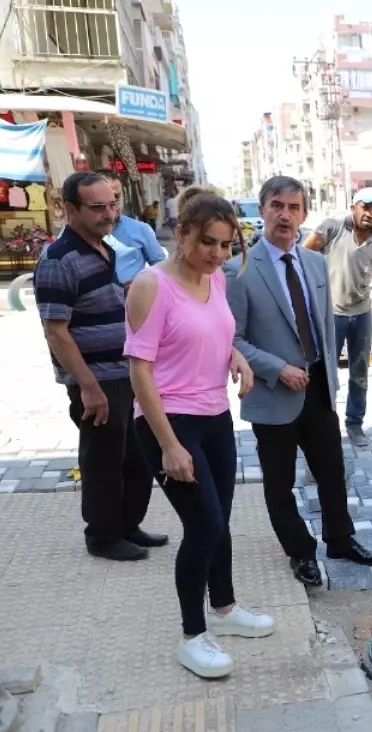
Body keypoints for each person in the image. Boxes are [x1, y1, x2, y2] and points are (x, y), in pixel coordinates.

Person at [126, 187, 275, 679]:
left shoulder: (214, 281)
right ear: (182, 233)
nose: (217, 254)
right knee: (204, 526)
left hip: (214, 417)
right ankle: (193, 635)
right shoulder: (151, 285)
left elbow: (215, 332)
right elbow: (140, 370)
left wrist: (234, 356)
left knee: (220, 519)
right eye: (208, 242)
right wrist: (168, 444)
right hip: (169, 422)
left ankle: (226, 609)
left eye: (227, 245)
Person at [225, 176, 372, 588]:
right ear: (261, 211)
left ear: (304, 214)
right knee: (280, 483)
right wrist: (276, 367)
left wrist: (330, 379)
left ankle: (340, 538)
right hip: (273, 392)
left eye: (294, 207)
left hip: (317, 388)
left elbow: (325, 328)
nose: (285, 214)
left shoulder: (315, 263)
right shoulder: (238, 269)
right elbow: (233, 338)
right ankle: (300, 551)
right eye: (277, 205)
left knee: (332, 471)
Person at [33, 172, 159, 561]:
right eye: (97, 207)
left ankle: (127, 526)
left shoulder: (102, 247)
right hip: (97, 381)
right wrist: (87, 386)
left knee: (137, 458)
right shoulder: (58, 260)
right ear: (70, 209)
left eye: (112, 205)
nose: (108, 214)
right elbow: (56, 331)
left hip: (124, 373)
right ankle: (104, 537)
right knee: (104, 462)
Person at [303, 187, 372, 449]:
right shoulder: (332, 228)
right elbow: (303, 254)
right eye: (365, 207)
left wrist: (359, 283)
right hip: (331, 314)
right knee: (324, 371)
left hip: (362, 313)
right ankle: (322, 424)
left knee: (360, 373)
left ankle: (354, 424)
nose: (369, 213)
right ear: (354, 207)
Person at [99, 171, 165, 286]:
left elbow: (162, 271)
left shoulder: (141, 229)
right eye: (105, 197)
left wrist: (142, 286)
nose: (112, 203)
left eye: (117, 196)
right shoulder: (78, 233)